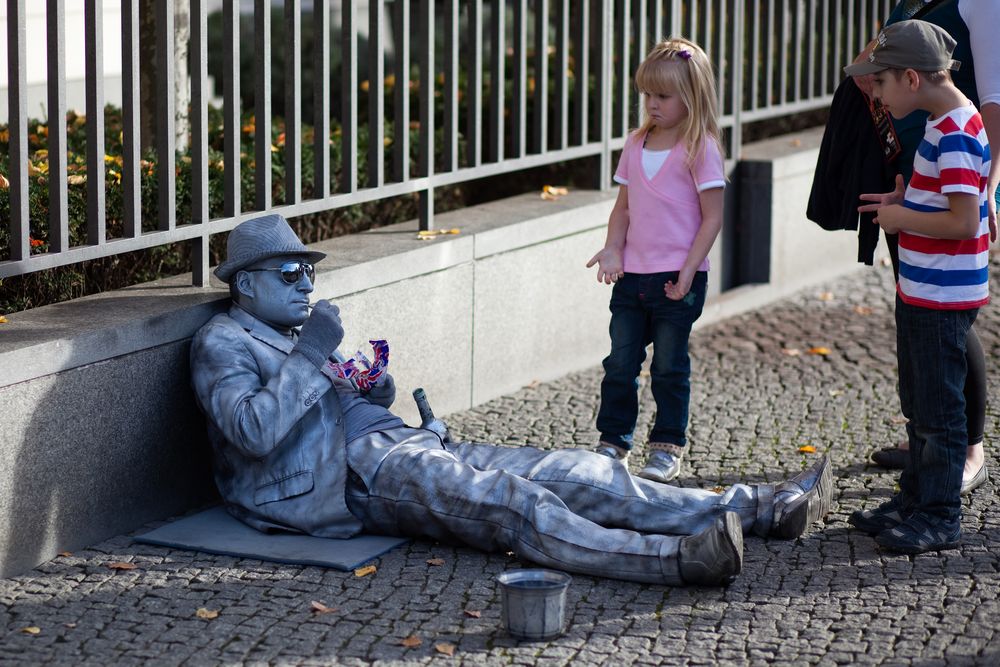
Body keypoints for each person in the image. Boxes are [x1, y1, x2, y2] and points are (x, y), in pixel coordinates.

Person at [189, 213, 834, 587]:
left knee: (580, 470)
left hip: (399, 439)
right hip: (348, 475)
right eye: (289, 273)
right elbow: (252, 431)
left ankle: (760, 508)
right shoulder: (222, 342)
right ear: (245, 285)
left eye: (310, 270)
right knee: (510, 503)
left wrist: (372, 387)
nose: (306, 282)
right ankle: (677, 562)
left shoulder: (294, 331)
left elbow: (330, 398)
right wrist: (312, 357)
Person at [845, 20, 991, 553]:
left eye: (879, 83)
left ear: (910, 78)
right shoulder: (946, 120)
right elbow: (948, 205)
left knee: (938, 411)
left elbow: (963, 222)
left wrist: (902, 218)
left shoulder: (951, 131)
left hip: (941, 294)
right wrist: (904, 204)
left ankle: (938, 514)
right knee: (920, 401)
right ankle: (915, 499)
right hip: (927, 288)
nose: (876, 94)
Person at [586, 38, 726, 483]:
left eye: (663, 96)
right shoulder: (635, 143)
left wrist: (689, 270)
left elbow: (712, 218)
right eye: (647, 94)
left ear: (692, 96)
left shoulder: (700, 147)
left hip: (675, 281)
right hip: (632, 276)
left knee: (669, 366)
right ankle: (612, 442)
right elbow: (623, 207)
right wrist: (612, 247)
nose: (652, 103)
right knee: (620, 364)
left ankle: (667, 445)